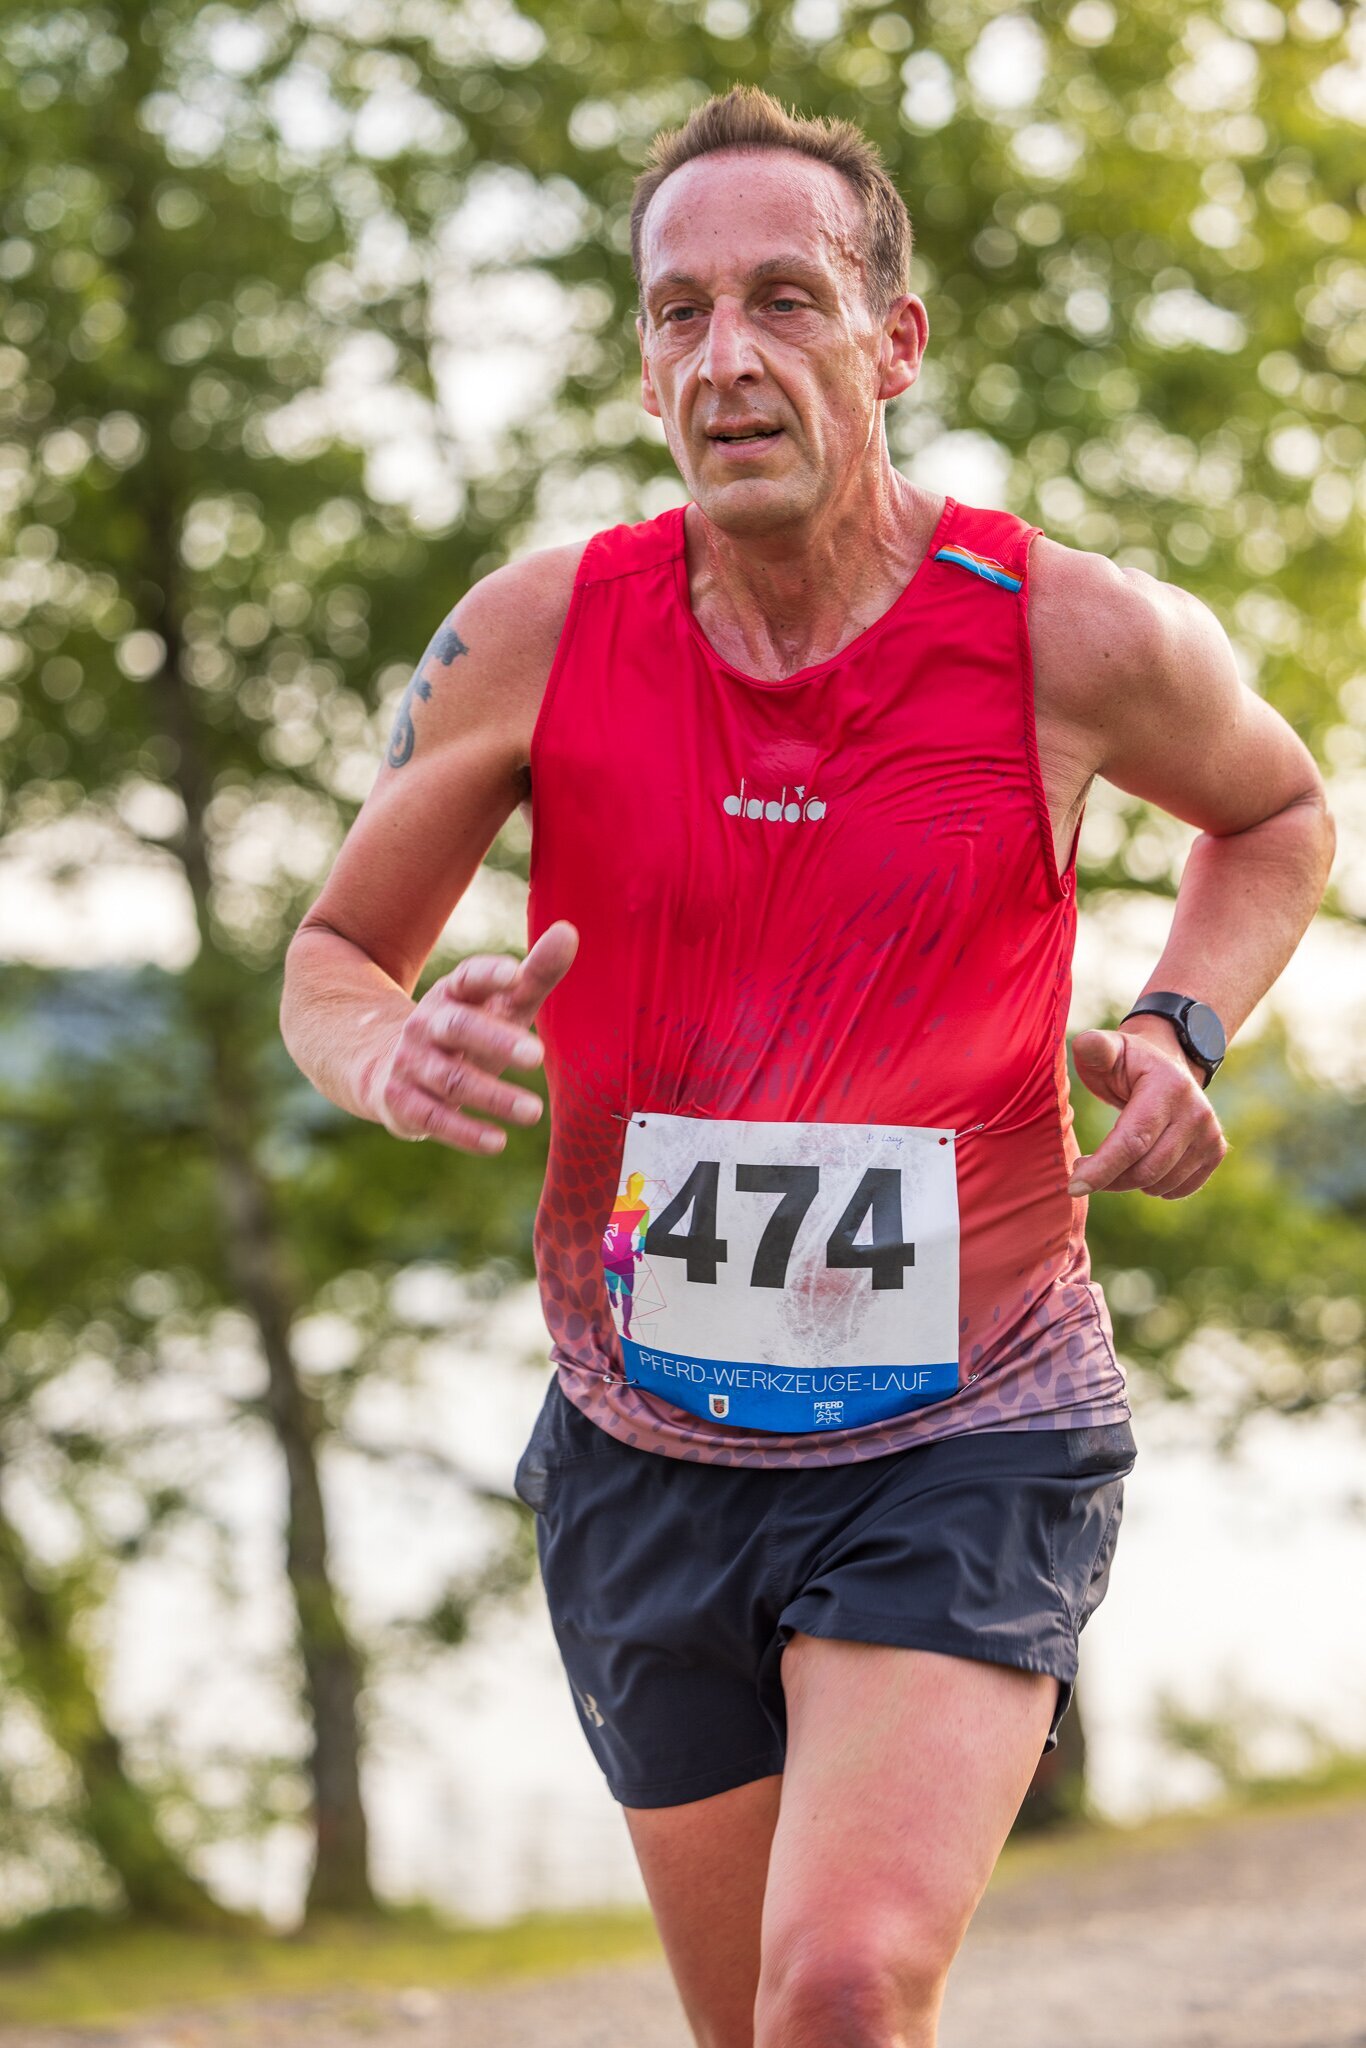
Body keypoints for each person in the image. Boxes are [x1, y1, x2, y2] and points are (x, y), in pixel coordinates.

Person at [280, 86, 1334, 2048]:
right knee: (755, 2028)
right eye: (677, 312)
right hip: (642, 1443)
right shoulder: (536, 634)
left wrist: (1175, 1026)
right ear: (640, 367)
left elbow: (1274, 814)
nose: (726, 357)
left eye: (782, 298)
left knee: (840, 1986)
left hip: (970, 1419)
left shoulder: (1062, 631)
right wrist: (389, 1052)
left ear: (892, 341)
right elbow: (337, 957)